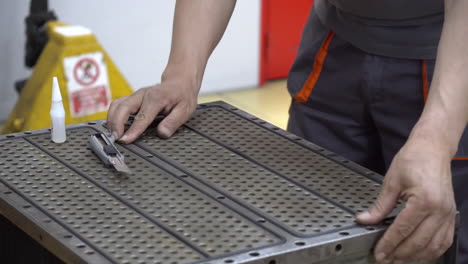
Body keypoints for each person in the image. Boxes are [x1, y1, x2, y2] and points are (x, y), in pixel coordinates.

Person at [106, 0, 468, 263]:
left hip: (450, 60)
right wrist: (181, 75)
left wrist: (436, 137)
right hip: (335, 42)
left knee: (430, 235)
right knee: (305, 231)